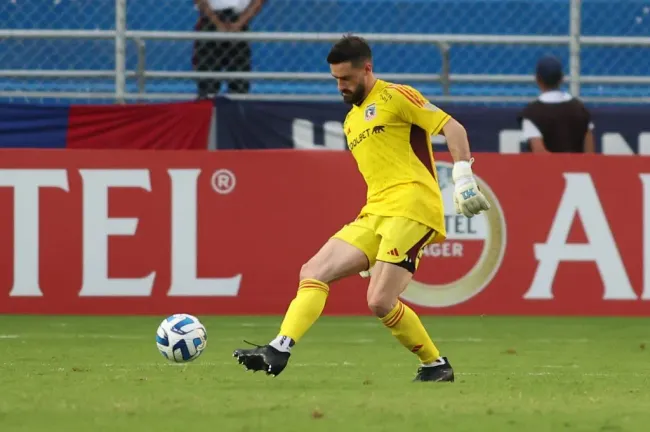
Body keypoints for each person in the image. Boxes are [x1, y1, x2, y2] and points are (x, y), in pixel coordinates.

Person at [233, 35, 490, 382]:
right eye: (335, 79)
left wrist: (462, 176)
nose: (340, 85)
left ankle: (435, 364)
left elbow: (452, 128)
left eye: (346, 78)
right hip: (375, 212)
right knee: (313, 271)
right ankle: (279, 348)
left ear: (367, 69)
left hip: (413, 207)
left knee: (379, 301)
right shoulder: (351, 121)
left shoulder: (397, 96)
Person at [518, 55, 595, 153]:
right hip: (578, 168)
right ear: (562, 78)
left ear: (537, 79)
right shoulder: (580, 108)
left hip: (548, 168)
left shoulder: (531, 113)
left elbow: (539, 153)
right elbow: (589, 151)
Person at [192, 0, 265, 98]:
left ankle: (237, 106)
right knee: (207, 81)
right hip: (211, 20)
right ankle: (207, 106)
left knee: (239, 83)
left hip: (238, 18)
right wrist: (217, 22)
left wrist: (240, 22)